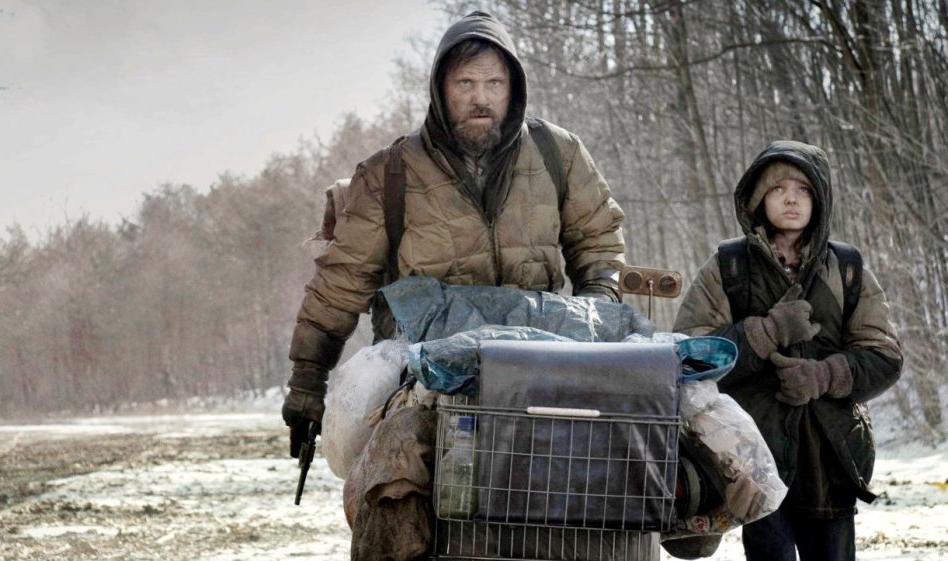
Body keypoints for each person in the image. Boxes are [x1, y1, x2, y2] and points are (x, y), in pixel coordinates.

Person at [283, 11, 626, 460]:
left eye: (494, 84)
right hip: (421, 372)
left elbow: (598, 243)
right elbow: (339, 287)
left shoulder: (557, 153)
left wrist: (594, 316)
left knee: (618, 467)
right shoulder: (388, 175)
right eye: (465, 83)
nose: (480, 98)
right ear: (440, 90)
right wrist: (308, 383)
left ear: (514, 88)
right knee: (395, 480)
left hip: (540, 357)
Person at [674, 140, 902, 560]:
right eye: (778, 189)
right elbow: (688, 357)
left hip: (830, 459)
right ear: (760, 198)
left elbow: (885, 356)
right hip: (754, 460)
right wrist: (764, 333)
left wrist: (826, 375)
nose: (792, 198)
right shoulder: (729, 266)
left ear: (820, 199)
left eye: (804, 189)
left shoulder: (847, 268)